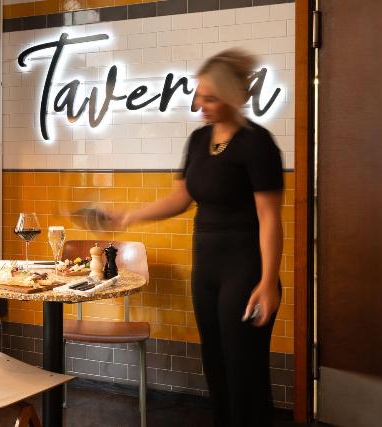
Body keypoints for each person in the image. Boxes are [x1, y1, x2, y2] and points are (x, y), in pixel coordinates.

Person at [109, 49, 283, 427]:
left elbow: (270, 218)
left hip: (246, 268)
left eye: (210, 98)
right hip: (207, 268)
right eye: (198, 95)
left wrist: (268, 282)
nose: (199, 104)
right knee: (215, 364)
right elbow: (180, 198)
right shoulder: (199, 139)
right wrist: (129, 215)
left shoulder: (258, 143)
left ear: (233, 97)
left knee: (243, 369)